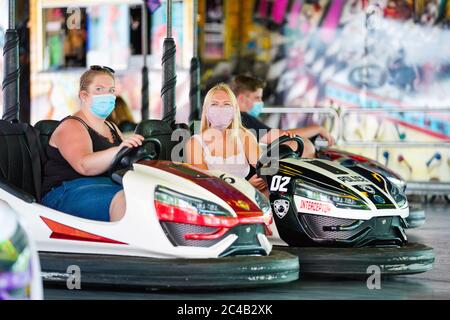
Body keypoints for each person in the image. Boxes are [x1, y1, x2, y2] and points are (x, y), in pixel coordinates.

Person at [41, 65, 144, 222]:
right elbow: (84, 165)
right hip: (66, 191)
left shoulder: (112, 127)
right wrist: (119, 149)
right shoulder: (72, 125)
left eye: (111, 90)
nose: (107, 95)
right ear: (84, 95)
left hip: (103, 185)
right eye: (99, 89)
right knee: (127, 201)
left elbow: (125, 158)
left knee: (143, 195)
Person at [185, 83, 267, 194]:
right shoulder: (195, 143)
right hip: (214, 203)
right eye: (214, 104)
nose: (220, 109)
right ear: (206, 110)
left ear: (234, 109)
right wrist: (246, 186)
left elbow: (265, 168)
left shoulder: (245, 137)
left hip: (246, 201)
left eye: (226, 104)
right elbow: (204, 184)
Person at [231, 74, 335, 157]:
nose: (260, 102)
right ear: (241, 99)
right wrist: (318, 129)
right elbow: (282, 136)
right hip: (252, 173)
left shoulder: (238, 117)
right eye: (257, 98)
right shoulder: (242, 118)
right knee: (300, 144)